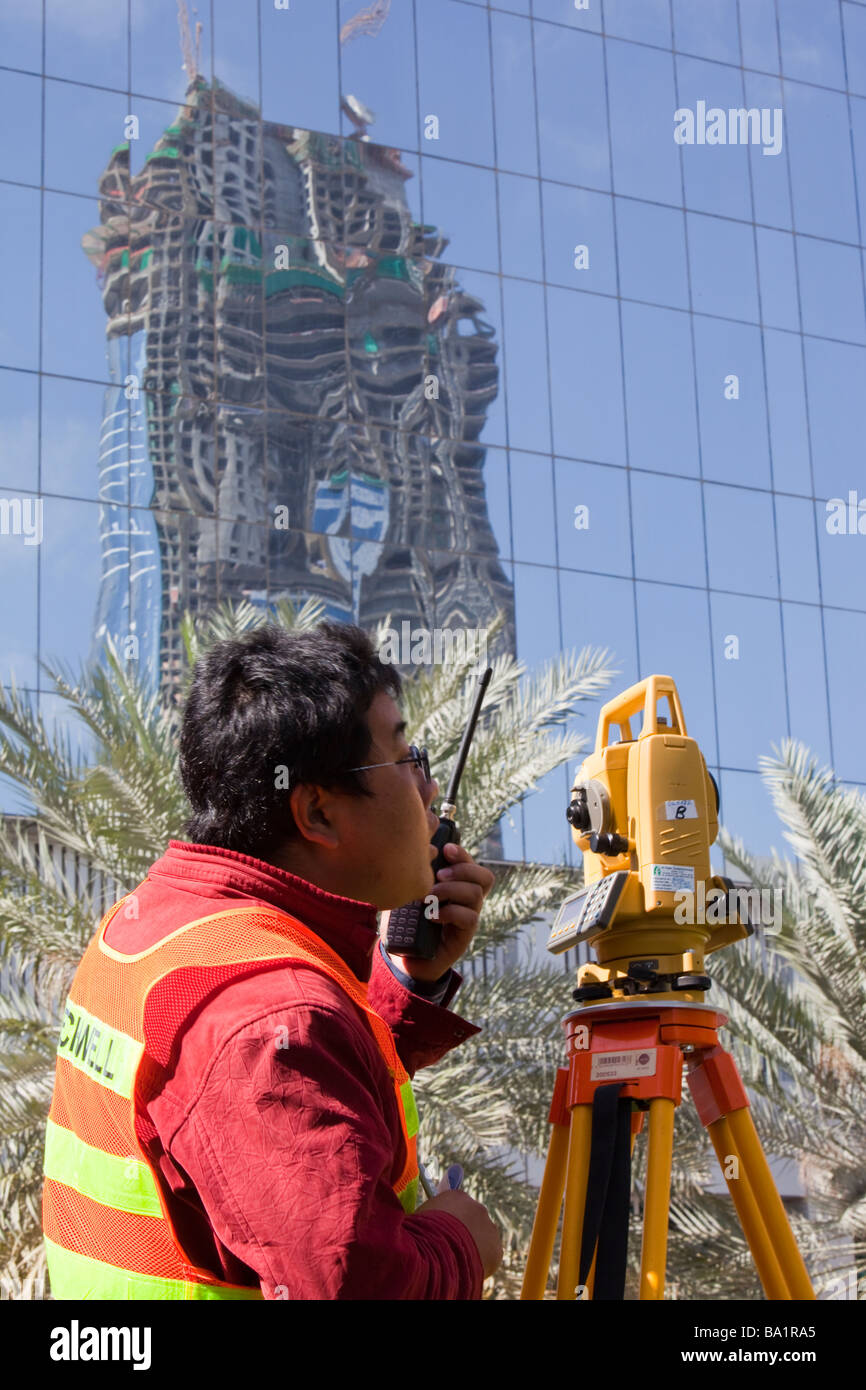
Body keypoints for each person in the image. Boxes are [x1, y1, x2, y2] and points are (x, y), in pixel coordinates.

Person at [42, 621, 503, 1299]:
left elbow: (290, 1107)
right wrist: (462, 1243)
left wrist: (409, 978)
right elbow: (353, 1285)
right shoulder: (272, 1018)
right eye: (406, 759)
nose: (428, 791)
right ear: (316, 812)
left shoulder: (159, 919)